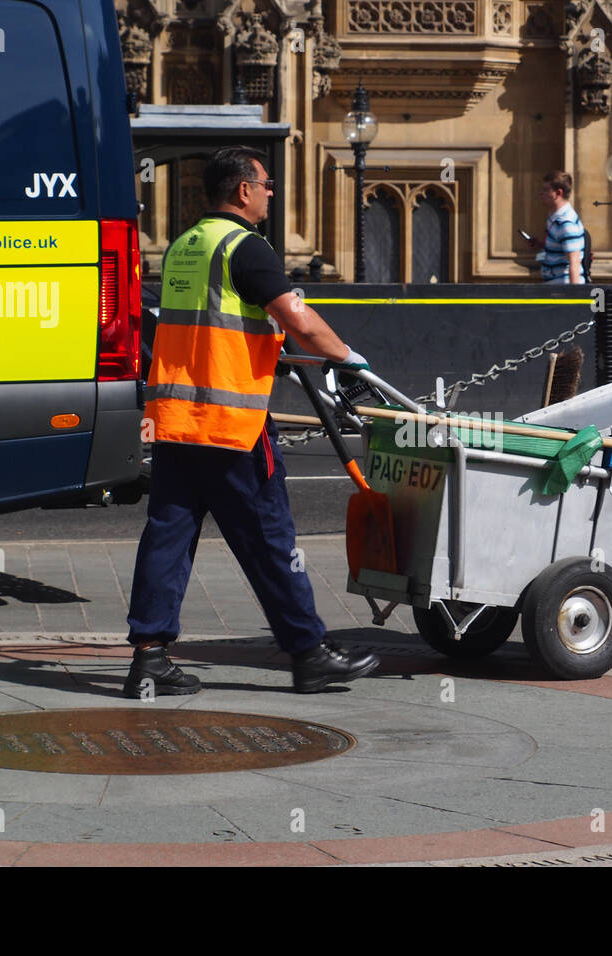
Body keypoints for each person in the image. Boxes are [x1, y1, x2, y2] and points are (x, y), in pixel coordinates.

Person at [122, 145, 379, 697]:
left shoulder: (185, 247)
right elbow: (297, 318)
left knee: (167, 538)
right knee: (268, 539)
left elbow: (218, 325)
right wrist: (346, 355)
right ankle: (310, 654)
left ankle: (149, 657)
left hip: (175, 420)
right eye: (265, 185)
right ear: (242, 190)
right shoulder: (247, 247)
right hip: (233, 427)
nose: (269, 194)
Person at [527, 170, 586, 284]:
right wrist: (541, 244)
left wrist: (576, 297)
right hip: (555, 286)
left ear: (558, 193)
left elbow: (574, 261)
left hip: (563, 288)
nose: (541, 193)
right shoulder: (555, 217)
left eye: (545, 190)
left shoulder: (566, 223)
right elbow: (561, 249)